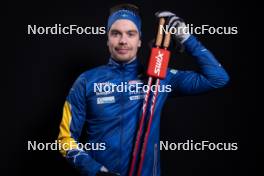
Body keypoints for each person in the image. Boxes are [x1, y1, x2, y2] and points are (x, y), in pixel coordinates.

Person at [57, 3, 229, 176]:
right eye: (116, 33)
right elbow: (65, 139)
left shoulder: (160, 78)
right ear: (107, 39)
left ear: (139, 40)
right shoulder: (86, 81)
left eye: (130, 34)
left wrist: (187, 38)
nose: (123, 40)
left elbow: (218, 78)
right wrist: (97, 171)